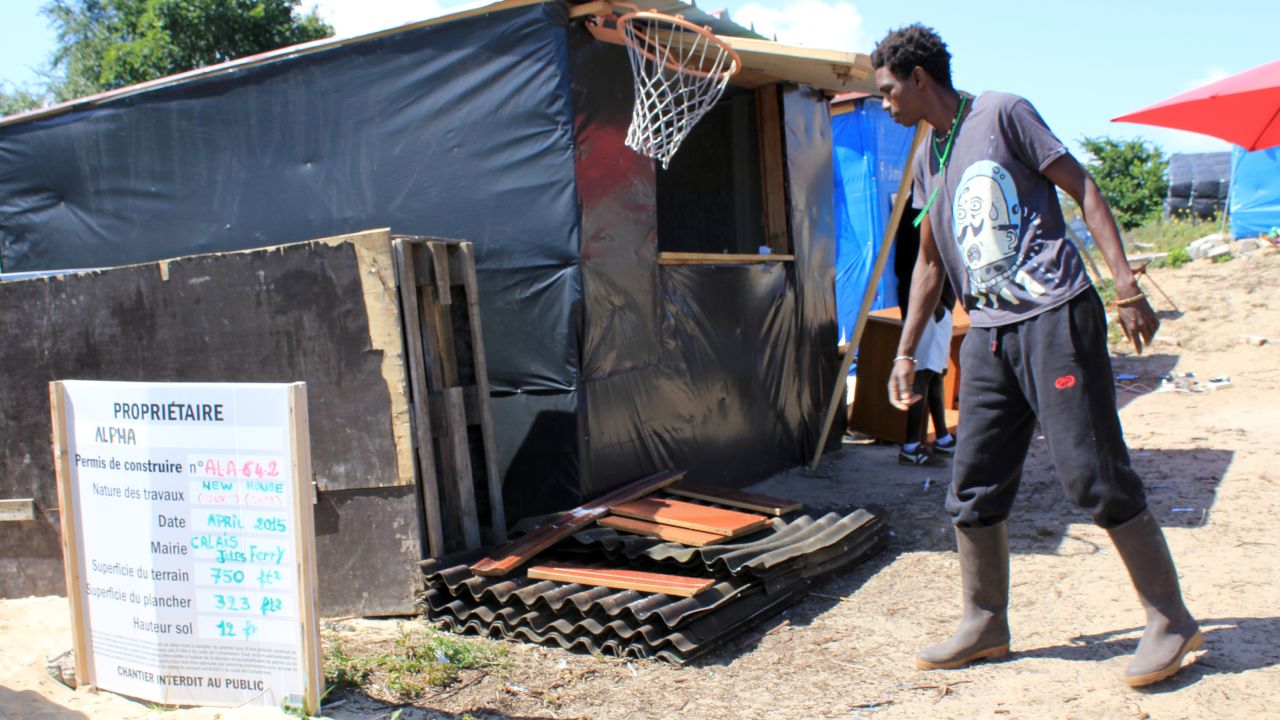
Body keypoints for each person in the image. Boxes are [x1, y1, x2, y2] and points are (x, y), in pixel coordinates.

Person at [871, 24, 1202, 687]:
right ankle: (985, 621)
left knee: (1092, 475)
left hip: (1056, 314)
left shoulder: (1003, 112)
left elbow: (1086, 189)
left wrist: (1128, 288)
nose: (883, 103)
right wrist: (906, 353)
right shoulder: (930, 155)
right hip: (991, 332)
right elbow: (932, 263)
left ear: (918, 78)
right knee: (973, 485)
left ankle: (1170, 619)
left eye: (886, 91)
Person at [899, 300, 954, 466]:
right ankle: (910, 447)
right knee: (922, 375)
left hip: (938, 311)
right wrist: (936, 310)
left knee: (935, 375)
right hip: (930, 312)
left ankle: (943, 439)